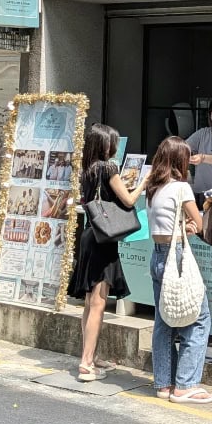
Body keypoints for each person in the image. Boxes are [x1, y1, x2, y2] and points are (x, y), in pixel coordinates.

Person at [67, 124, 148, 382]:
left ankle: (90, 355)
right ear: (105, 146)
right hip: (104, 240)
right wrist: (144, 181)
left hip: (90, 234)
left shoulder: (85, 169)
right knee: (99, 303)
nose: (115, 147)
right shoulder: (108, 168)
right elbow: (128, 200)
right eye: (112, 143)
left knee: (90, 302)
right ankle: (87, 363)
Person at [145, 136, 212, 404]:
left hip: (158, 256)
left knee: (163, 321)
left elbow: (167, 225)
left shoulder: (152, 187)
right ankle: (186, 384)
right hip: (178, 257)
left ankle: (164, 383)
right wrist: (205, 209)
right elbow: (199, 223)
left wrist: (183, 227)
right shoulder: (181, 188)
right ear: (180, 161)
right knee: (199, 318)